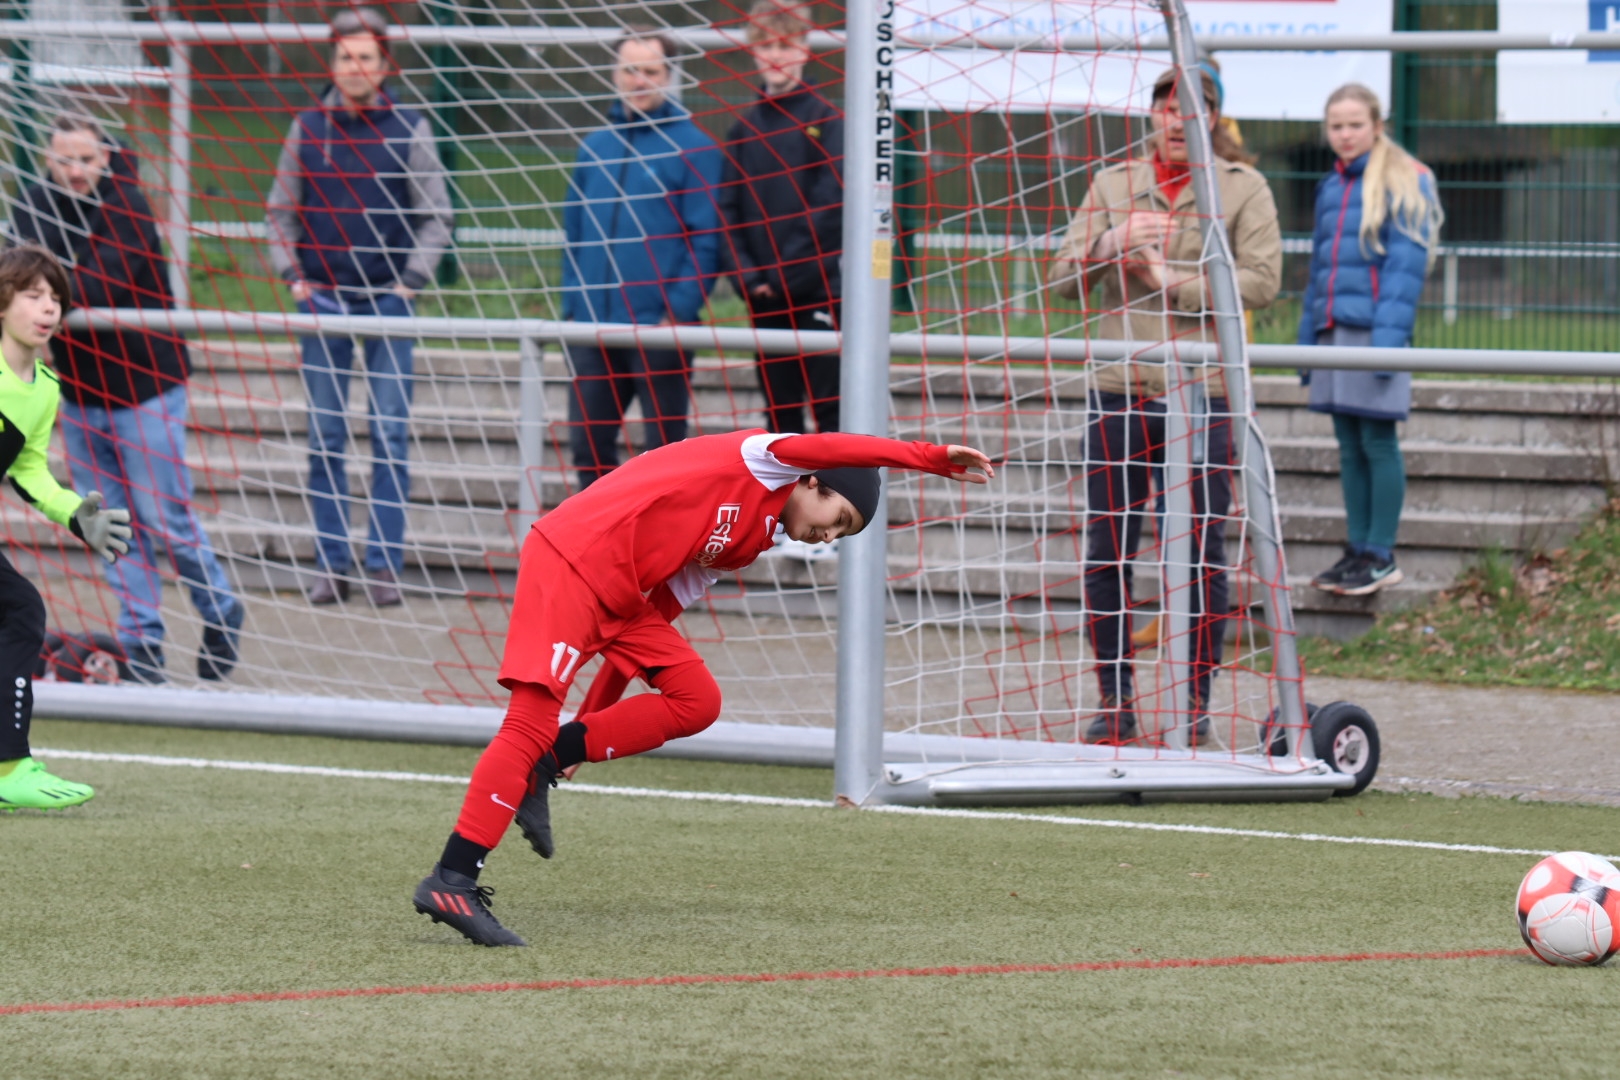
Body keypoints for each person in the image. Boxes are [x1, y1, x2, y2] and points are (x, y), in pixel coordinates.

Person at [412, 429, 994, 945]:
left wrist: (576, 741)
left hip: (619, 595)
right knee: (528, 720)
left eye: (843, 532)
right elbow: (832, 444)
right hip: (574, 556)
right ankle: (452, 880)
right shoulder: (763, 459)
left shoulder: (747, 543)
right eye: (837, 517)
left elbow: (657, 613)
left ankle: (545, 760)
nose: (828, 536)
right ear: (812, 481)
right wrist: (929, 458)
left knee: (697, 700)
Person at [1047, 62, 1281, 746]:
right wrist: (1108, 245)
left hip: (1203, 393)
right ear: (1153, 115)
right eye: (1167, 107)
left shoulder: (1243, 187)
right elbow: (1061, 279)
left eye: (1193, 107)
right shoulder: (1112, 184)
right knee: (1108, 549)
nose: (1178, 120)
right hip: (1120, 390)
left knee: (1201, 553)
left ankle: (1193, 702)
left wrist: (1172, 281)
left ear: (1213, 116)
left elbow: (1262, 283)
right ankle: (1115, 699)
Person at [12, 113, 243, 684]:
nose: (75, 170)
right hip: (79, 390)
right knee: (108, 521)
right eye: (64, 159)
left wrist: (38, 289)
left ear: (106, 158)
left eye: (87, 159)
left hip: (146, 386)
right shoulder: (33, 205)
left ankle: (219, 606)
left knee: (164, 517)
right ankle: (142, 642)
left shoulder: (129, 206)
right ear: (48, 159)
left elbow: (90, 288)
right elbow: (20, 279)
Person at [266, 6, 452, 606]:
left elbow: (437, 216)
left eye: (366, 57)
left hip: (387, 304)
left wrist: (409, 284)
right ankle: (331, 564)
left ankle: (383, 567)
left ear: (384, 64)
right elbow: (279, 213)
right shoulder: (307, 128)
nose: (355, 67)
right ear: (332, 63)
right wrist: (295, 279)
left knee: (389, 436)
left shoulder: (410, 128)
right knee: (326, 437)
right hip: (322, 302)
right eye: (345, 57)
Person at [561, 28, 722, 490]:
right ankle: (598, 535)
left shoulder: (695, 148)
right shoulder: (594, 147)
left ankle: (663, 539)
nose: (639, 80)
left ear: (669, 76)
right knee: (587, 450)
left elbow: (707, 239)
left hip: (659, 331)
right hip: (593, 328)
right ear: (615, 74)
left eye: (650, 71)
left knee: (664, 459)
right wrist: (574, 306)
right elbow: (573, 235)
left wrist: (677, 310)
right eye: (630, 70)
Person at [0, 245, 131, 809]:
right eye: (32, 295)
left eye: (55, 297)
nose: (48, 307)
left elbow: (29, 470)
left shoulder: (45, 386)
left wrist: (78, 514)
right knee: (20, 611)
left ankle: (10, 767)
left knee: (19, 612)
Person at [1300, 83, 1443, 598]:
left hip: (1375, 332)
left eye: (1355, 124)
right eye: (1336, 126)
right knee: (1348, 444)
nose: (1345, 134)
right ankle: (1357, 549)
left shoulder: (1405, 179)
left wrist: (1386, 344)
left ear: (1377, 126)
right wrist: (1308, 342)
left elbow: (1404, 271)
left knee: (1377, 440)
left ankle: (1381, 553)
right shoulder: (1330, 187)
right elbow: (1319, 269)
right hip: (1333, 331)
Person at [718, 0, 844, 436]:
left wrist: (782, 274)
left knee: (832, 416)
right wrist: (750, 279)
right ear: (753, 51)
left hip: (818, 293)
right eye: (766, 46)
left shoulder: (828, 121)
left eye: (785, 45)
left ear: (804, 48)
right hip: (764, 299)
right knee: (779, 418)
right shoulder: (743, 130)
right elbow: (726, 212)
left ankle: (844, 487)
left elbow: (830, 208)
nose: (776, 55)